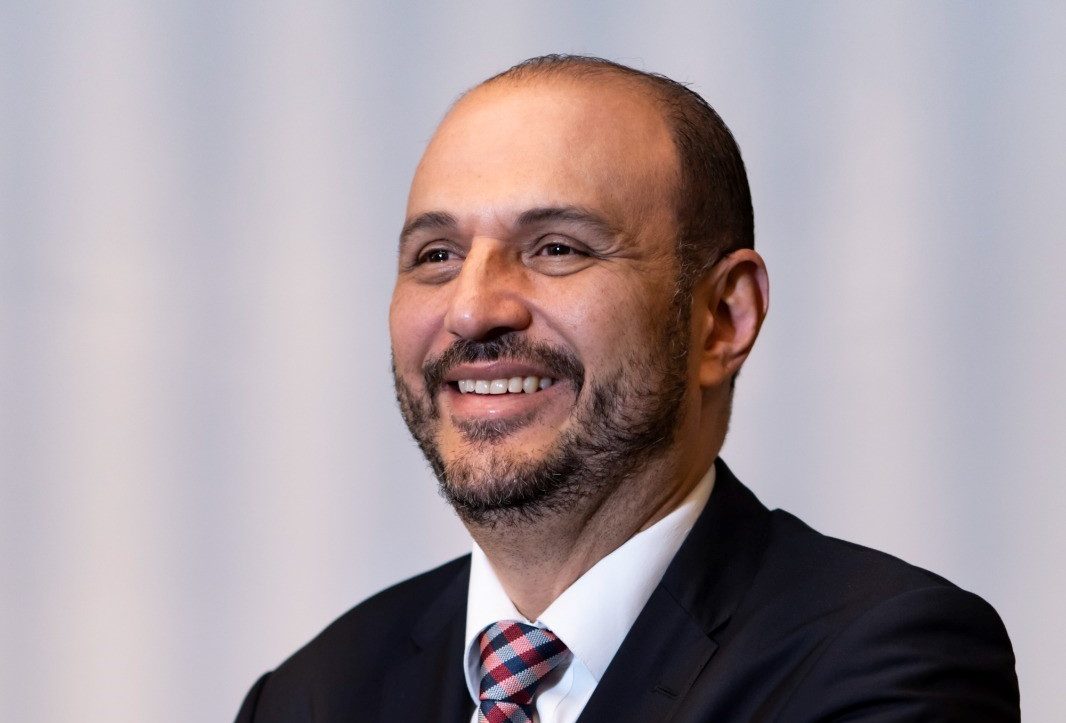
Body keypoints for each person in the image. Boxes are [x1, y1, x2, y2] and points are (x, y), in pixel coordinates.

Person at [235, 55, 1019, 722]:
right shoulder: (311, 696)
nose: (471, 309)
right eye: (437, 255)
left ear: (722, 318)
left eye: (556, 247)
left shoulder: (886, 660)